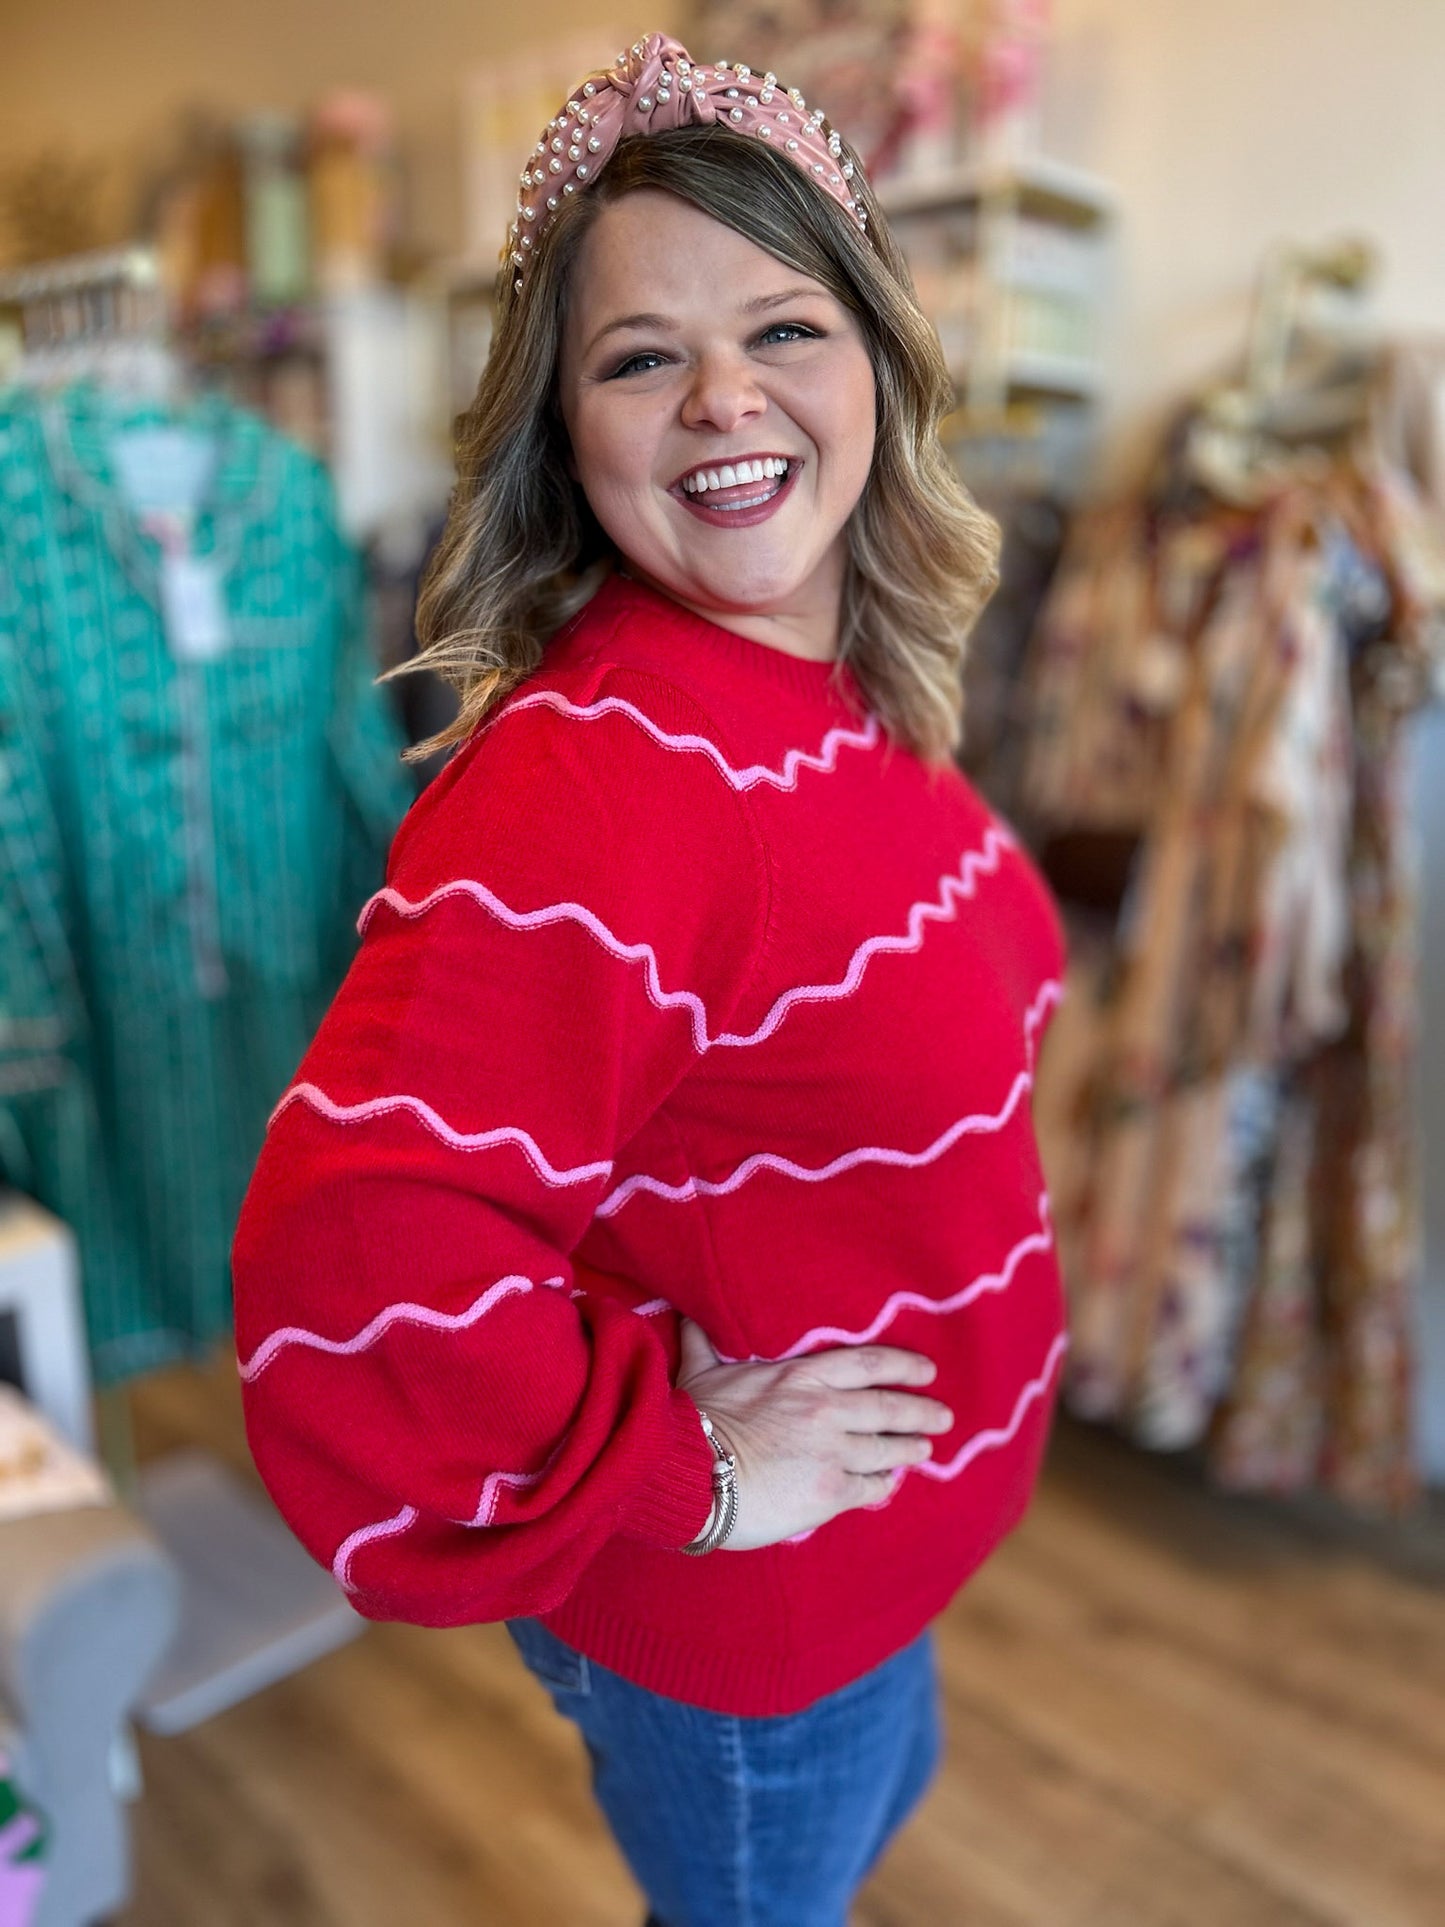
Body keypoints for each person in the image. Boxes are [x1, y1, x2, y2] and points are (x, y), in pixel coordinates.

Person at [231, 30, 1068, 1927]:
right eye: (637, 356)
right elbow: (356, 1251)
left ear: (877, 362)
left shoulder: (841, 692)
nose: (721, 397)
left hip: (874, 1566)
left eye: (782, 327)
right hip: (751, 1616)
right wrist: (691, 1474)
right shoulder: (604, 774)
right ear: (562, 426)